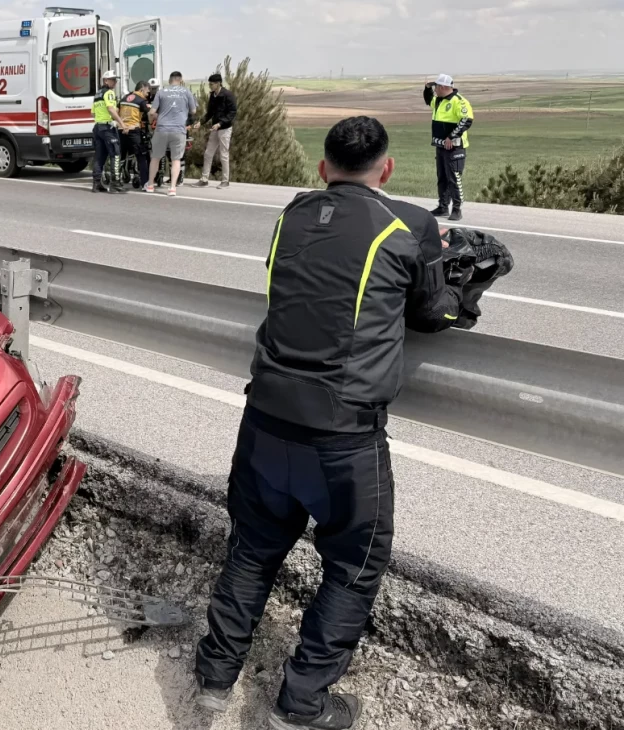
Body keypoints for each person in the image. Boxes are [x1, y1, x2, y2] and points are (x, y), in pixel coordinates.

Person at [194, 116, 468, 730]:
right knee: (353, 566)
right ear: (387, 169)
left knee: (252, 550)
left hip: (264, 421)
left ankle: (213, 680)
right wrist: (462, 286)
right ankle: (300, 704)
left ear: (323, 169)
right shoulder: (410, 223)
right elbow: (430, 313)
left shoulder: (290, 214)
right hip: (344, 438)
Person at [423, 74, 474, 221]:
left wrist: (451, 137)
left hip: (455, 148)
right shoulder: (438, 101)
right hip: (440, 146)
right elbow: (428, 100)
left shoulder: (459, 102)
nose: (435, 90)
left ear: (443, 87)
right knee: (442, 178)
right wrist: (426, 89)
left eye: (435, 87)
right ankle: (443, 207)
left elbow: (466, 121)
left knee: (454, 178)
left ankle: (457, 209)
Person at [147, 71, 197, 196]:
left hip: (162, 128)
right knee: (176, 160)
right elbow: (194, 110)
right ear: (181, 80)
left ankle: (150, 185)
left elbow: (152, 112)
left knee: (155, 158)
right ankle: (173, 188)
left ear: (169, 80)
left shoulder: (161, 92)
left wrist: (154, 118)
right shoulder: (186, 92)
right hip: (179, 130)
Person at [197, 73, 238, 188]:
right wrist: (201, 122)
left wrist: (220, 124)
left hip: (224, 129)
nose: (210, 86)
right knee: (208, 153)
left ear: (218, 83)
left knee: (224, 155)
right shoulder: (212, 96)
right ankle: (204, 179)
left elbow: (232, 113)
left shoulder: (228, 95)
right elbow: (209, 113)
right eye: (209, 84)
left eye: (211, 84)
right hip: (215, 128)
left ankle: (225, 181)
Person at [91, 70, 127, 194]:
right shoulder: (109, 93)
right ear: (106, 81)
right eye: (113, 80)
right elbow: (111, 110)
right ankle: (115, 184)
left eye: (115, 80)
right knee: (115, 154)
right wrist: (122, 124)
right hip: (108, 128)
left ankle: (96, 184)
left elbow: (93, 113)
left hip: (98, 128)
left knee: (99, 156)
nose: (115, 82)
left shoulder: (97, 94)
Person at [119, 80, 155, 189]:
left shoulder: (124, 98)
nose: (148, 94)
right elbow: (151, 114)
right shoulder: (141, 101)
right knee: (141, 156)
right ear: (142, 89)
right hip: (134, 131)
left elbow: (116, 111)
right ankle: (145, 183)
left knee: (121, 157)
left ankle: (116, 180)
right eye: (147, 92)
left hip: (121, 130)